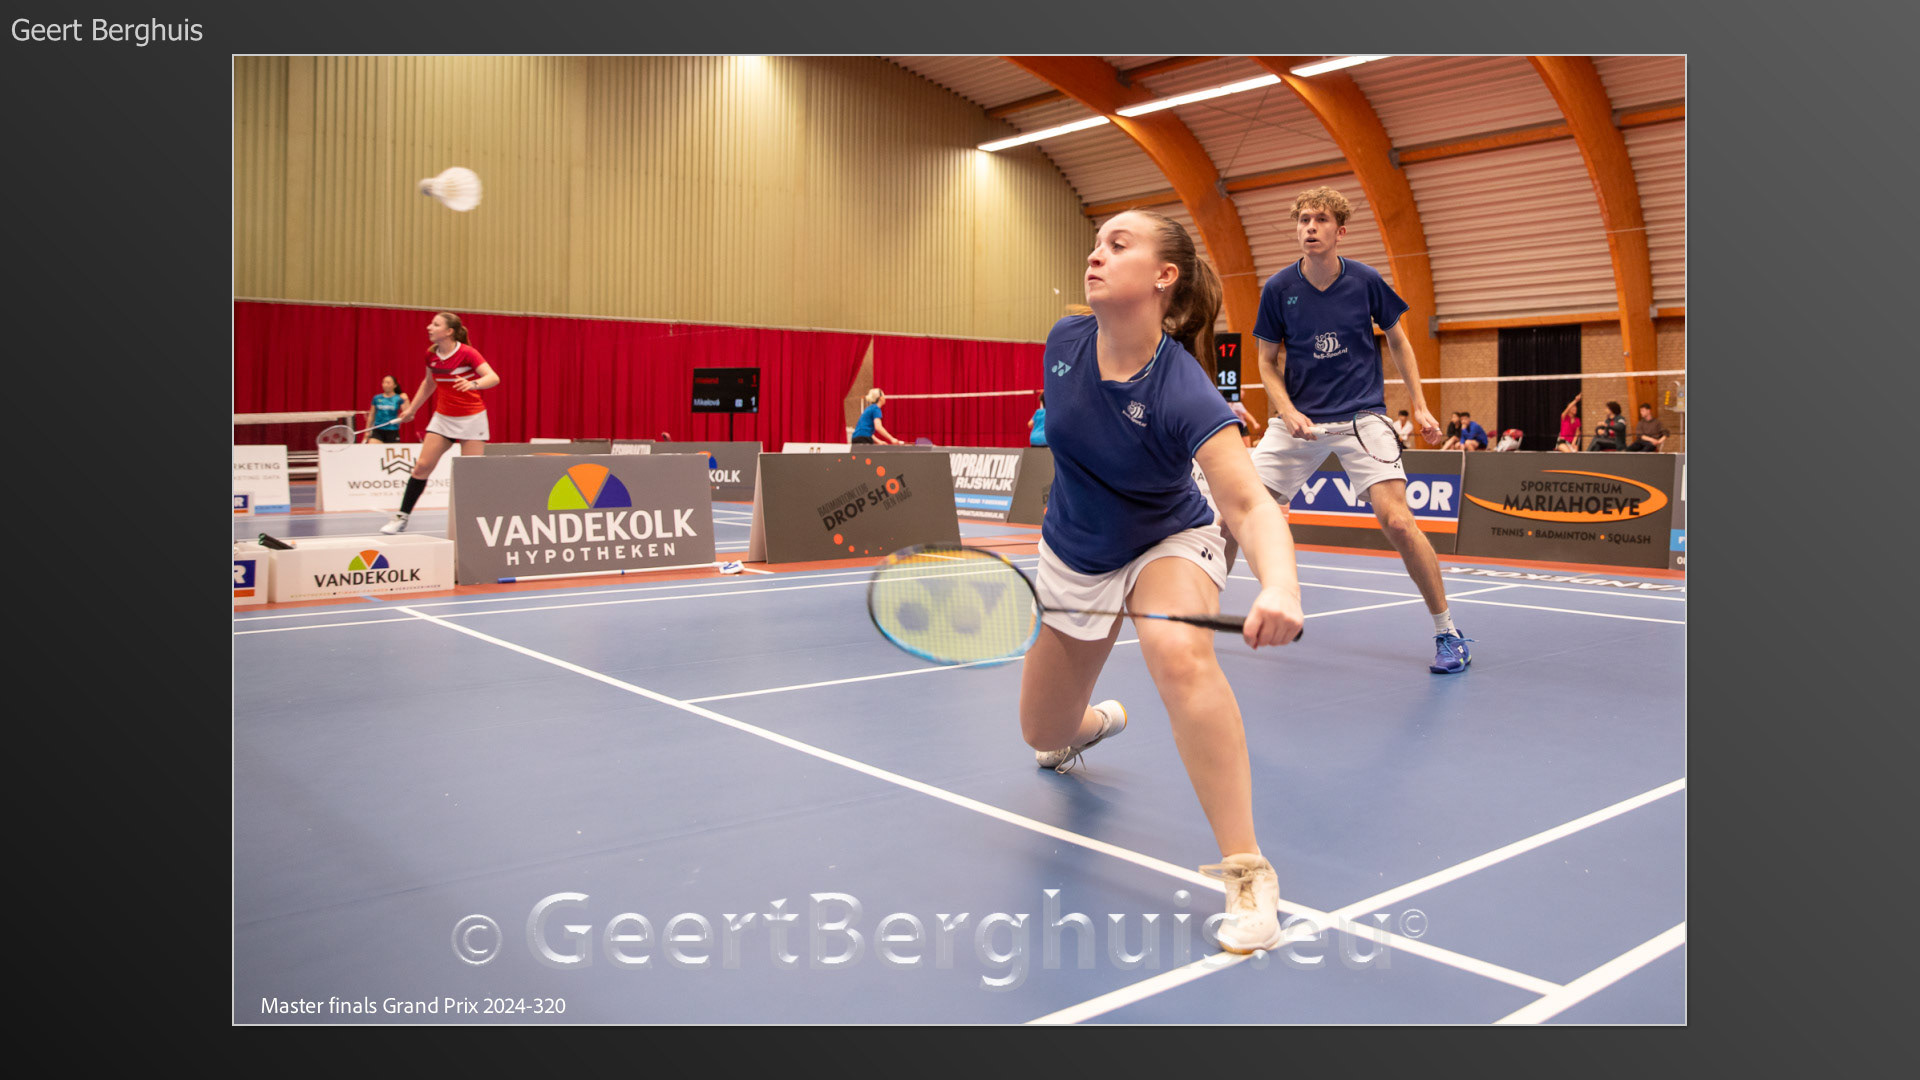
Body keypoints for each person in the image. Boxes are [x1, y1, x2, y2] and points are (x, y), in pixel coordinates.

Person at [1026, 208, 1306, 955]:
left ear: (1163, 277)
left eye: (1117, 245)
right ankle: (1091, 724)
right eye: (1095, 243)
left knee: (1179, 653)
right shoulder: (1063, 341)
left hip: (1166, 538)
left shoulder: (1185, 391)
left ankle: (1249, 874)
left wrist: (1281, 586)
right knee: (1042, 734)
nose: (1095, 255)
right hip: (1076, 550)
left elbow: (1249, 504)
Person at [1250, 185, 1472, 675]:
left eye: (1321, 220)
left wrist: (1420, 406)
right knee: (1233, 512)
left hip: (1361, 418)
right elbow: (1266, 362)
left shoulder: (1366, 281)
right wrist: (1286, 410)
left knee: (1399, 523)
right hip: (1300, 422)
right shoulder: (1278, 289)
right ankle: (1195, 619)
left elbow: (1399, 341)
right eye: (1304, 220)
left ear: (1340, 231)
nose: (1310, 228)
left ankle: (1448, 632)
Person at [381, 313, 500, 534]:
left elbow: (493, 377)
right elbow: (428, 384)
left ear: (449, 331)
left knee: (470, 475)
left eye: (435, 324)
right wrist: (411, 410)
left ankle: (474, 524)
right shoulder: (431, 355)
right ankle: (401, 517)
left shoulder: (467, 353)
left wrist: (473, 384)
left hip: (472, 419)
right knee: (422, 466)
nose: (429, 327)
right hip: (443, 418)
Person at [364, 375, 408, 444]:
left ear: (395, 385)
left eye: (388, 383)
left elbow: (407, 414)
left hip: (392, 431)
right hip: (378, 430)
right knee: (372, 447)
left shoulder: (399, 398)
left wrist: (406, 400)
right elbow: (371, 415)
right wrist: (367, 431)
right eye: (384, 382)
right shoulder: (377, 398)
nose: (385, 385)